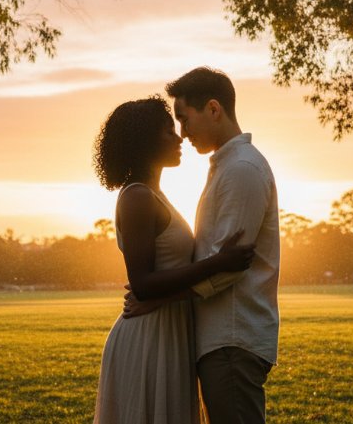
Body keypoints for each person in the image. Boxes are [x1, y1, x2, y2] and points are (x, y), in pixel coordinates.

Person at [128, 68, 281, 424]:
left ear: (213, 109)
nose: (182, 132)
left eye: (184, 118)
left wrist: (159, 298)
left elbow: (230, 266)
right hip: (221, 339)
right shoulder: (225, 167)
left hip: (232, 337)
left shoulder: (242, 169)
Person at [92, 96, 256, 424]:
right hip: (148, 337)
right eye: (169, 132)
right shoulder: (137, 197)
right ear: (146, 142)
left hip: (169, 332)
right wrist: (218, 262)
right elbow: (142, 283)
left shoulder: (155, 195)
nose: (179, 137)